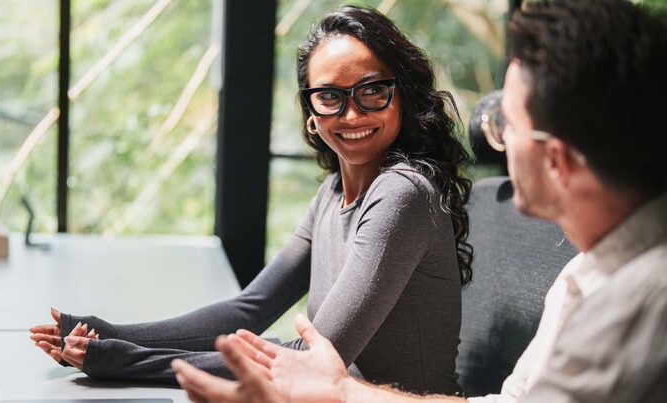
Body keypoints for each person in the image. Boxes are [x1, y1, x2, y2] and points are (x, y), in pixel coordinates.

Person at [171, 0, 667, 401]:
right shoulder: (583, 278)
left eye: (505, 126)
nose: (493, 140)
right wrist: (341, 391)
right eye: (330, 97)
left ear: (557, 159)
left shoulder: (635, 311)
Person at [29, 5, 473, 394]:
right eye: (330, 97)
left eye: (373, 91)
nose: (352, 114)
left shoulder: (401, 194)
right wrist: (106, 335)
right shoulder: (333, 193)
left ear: (403, 97)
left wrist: (123, 361)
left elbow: (303, 363)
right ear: (312, 115)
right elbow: (250, 308)